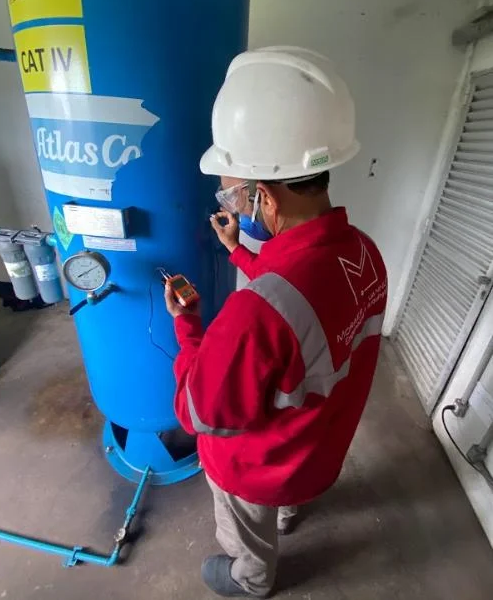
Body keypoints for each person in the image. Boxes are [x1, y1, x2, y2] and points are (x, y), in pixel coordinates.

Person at [163, 47, 388, 598]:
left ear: (263, 195)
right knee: (284, 497)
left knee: (245, 529)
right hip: (316, 449)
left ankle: (253, 579)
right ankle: (287, 514)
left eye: (234, 193)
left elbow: (199, 411)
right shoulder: (363, 254)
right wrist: (239, 251)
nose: (233, 204)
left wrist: (189, 327)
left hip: (256, 467)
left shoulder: (254, 313)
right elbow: (304, 296)